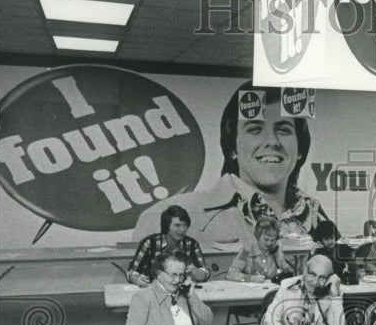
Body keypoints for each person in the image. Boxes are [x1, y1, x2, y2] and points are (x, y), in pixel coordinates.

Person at [134, 84, 329, 250]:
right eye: (254, 129)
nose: (272, 141)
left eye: (284, 130)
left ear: (300, 149)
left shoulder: (314, 213)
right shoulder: (159, 217)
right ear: (232, 148)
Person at [122, 249, 213, 325]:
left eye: (181, 275)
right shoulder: (143, 297)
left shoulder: (185, 293)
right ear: (159, 274)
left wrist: (192, 297)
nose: (177, 280)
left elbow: (207, 322)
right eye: (173, 275)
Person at [262, 254, 344, 325]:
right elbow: (269, 320)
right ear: (305, 271)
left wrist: (335, 297)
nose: (315, 281)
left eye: (322, 277)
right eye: (312, 274)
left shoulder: (331, 294)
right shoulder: (287, 287)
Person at [127, 205, 209, 286]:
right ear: (166, 226)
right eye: (177, 225)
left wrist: (195, 271)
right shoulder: (150, 243)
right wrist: (137, 280)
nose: (182, 229)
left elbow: (205, 273)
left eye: (185, 225)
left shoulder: (192, 244)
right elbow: (132, 273)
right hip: (155, 291)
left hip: (182, 291)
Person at [227, 216, 293, 283]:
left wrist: (280, 255)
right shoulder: (247, 251)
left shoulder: (276, 251)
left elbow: (288, 273)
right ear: (258, 236)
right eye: (266, 239)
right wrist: (251, 278)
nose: (269, 243)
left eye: (273, 240)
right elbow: (231, 274)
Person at [311, 219, 358, 284]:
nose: (330, 242)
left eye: (332, 238)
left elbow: (354, 267)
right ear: (320, 239)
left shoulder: (342, 248)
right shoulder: (318, 251)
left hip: (340, 282)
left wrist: (352, 272)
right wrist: (312, 253)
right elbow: (309, 272)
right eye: (326, 239)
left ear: (335, 236)